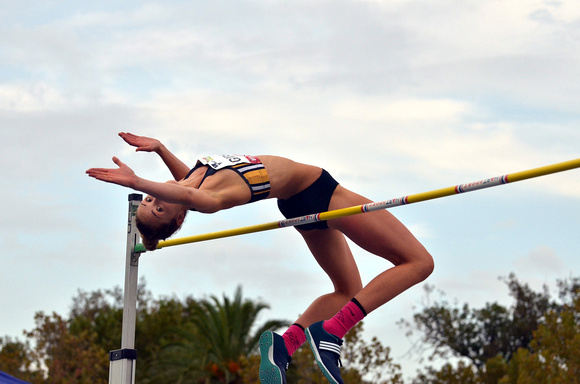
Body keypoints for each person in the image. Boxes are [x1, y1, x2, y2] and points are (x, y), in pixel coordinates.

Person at [87, 132, 434, 384]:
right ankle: (333, 331)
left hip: (298, 202)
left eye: (149, 200)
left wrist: (161, 149)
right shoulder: (209, 199)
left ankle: (285, 345)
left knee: (346, 289)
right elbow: (186, 194)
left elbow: (183, 184)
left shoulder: (194, 179)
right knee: (418, 262)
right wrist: (136, 180)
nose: (151, 198)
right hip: (319, 193)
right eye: (157, 207)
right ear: (179, 218)